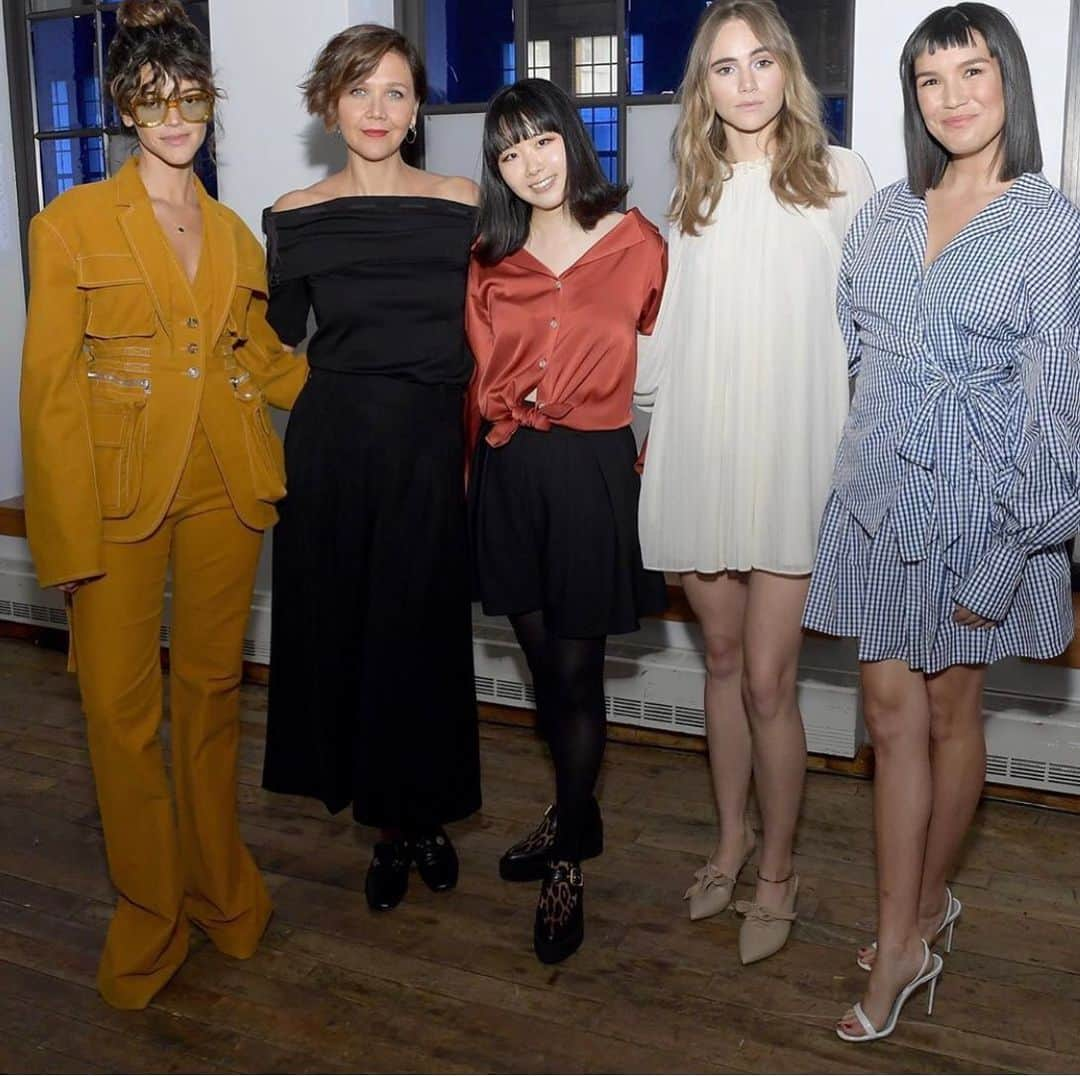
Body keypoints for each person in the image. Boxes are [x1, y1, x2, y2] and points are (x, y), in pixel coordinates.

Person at [19, 0, 307, 1009]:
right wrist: (61, 544)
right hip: (115, 497)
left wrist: (362, 397)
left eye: (191, 98)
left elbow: (260, 358)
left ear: (209, 107)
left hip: (228, 485)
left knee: (214, 696)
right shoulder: (70, 224)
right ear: (128, 112)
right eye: (155, 100)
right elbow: (48, 387)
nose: (175, 115)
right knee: (117, 710)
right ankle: (150, 917)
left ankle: (224, 891)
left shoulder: (236, 232)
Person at [802, 2, 1080, 1042]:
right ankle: (908, 919)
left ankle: (917, 920)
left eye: (973, 72)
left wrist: (1010, 553)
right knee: (885, 720)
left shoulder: (1050, 227)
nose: (953, 97)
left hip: (984, 509)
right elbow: (858, 354)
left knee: (954, 714)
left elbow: (1061, 410)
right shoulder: (881, 213)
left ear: (1008, 80)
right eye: (931, 79)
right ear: (912, 97)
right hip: (877, 502)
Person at [634, 0, 873, 964]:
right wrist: (640, 428)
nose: (744, 81)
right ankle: (729, 843)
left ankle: (780, 866)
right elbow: (666, 329)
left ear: (788, 74)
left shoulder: (842, 177)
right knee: (722, 667)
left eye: (761, 61)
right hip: (700, 446)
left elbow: (869, 326)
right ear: (705, 85)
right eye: (724, 66)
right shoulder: (686, 187)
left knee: (773, 681)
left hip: (793, 456)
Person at [260, 25, 482, 914]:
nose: (378, 110)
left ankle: (425, 814)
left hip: (429, 443)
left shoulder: (461, 201)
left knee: (421, 638)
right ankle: (387, 830)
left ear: (418, 106)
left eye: (395, 91)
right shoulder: (293, 214)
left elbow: (503, 317)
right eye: (359, 91)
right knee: (350, 635)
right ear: (329, 105)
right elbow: (272, 342)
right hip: (333, 448)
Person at [466, 78, 667, 964]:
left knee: (579, 677)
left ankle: (570, 861)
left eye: (539, 141)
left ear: (570, 140)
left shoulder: (638, 243)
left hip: (591, 472)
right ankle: (567, 811)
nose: (529, 164)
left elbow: (672, 370)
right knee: (546, 676)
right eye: (509, 153)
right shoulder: (488, 258)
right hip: (511, 473)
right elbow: (472, 387)